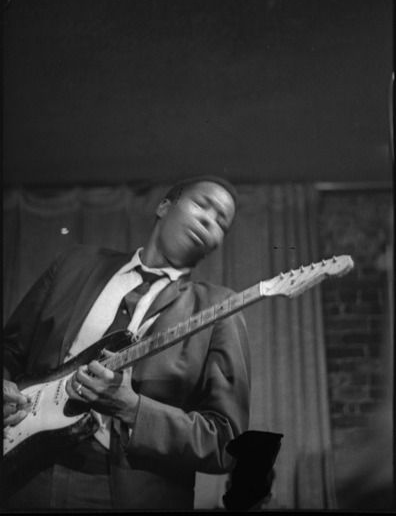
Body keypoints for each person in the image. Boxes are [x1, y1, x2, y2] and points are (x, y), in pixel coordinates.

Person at [3, 176, 251, 511]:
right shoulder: (74, 264)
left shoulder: (220, 309)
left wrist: (132, 408)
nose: (210, 220)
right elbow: (10, 350)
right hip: (21, 475)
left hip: (123, 493)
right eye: (202, 205)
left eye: (222, 222)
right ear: (164, 206)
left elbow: (226, 442)